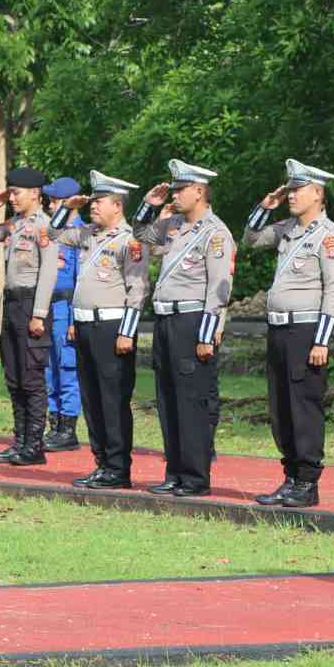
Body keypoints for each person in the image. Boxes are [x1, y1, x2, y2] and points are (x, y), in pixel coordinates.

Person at [243, 159, 334, 508]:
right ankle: (290, 476)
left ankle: (307, 481)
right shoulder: (287, 229)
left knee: (303, 407)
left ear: (317, 193)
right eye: (289, 190)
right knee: (281, 407)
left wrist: (322, 340)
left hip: (306, 330)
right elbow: (252, 239)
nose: (291, 196)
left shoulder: (328, 235)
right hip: (279, 327)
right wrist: (264, 207)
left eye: (297, 190)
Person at [131, 159, 234, 497]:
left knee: (192, 402)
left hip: (192, 322)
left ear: (199, 191)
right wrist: (149, 204)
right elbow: (141, 234)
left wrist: (207, 335)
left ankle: (194, 477)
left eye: (180, 189)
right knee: (169, 399)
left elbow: (219, 289)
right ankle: (174, 471)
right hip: (165, 319)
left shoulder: (215, 233)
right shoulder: (174, 224)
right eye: (173, 188)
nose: (174, 194)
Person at [49, 171, 149, 487]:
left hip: (112, 326)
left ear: (117, 206)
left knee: (112, 399)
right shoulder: (89, 234)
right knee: (91, 398)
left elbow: (137, 289)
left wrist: (127, 332)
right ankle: (102, 462)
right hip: (85, 324)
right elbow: (52, 233)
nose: (93, 206)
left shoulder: (130, 240)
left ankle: (118, 468)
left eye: (99, 201)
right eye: (92, 200)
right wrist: (68, 207)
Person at [0, 167, 58, 466]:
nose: (11, 198)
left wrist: (39, 314)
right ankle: (19, 441)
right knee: (14, 378)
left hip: (30, 305)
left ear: (35, 194)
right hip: (11, 305)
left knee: (31, 378)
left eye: (16, 193)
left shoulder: (44, 226)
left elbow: (48, 273)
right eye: (10, 192)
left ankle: (34, 446)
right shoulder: (14, 224)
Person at [41, 176, 84, 452]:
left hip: (67, 307)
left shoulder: (81, 233)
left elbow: (82, 280)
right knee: (48, 369)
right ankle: (53, 423)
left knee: (67, 368)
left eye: (55, 200)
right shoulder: (52, 230)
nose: (49, 203)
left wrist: (73, 320)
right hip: (48, 306)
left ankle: (67, 429)